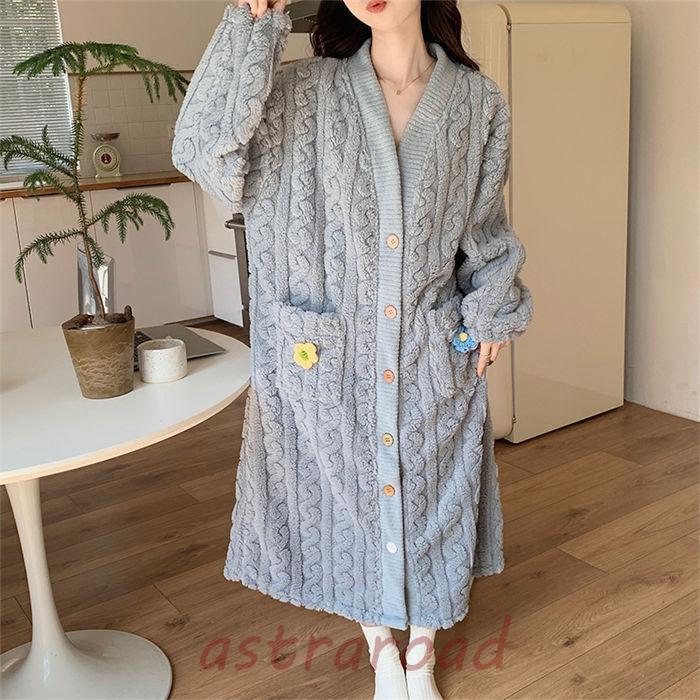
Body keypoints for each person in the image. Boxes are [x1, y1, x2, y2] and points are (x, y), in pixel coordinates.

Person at [172, 0, 534, 698]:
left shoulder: (477, 104)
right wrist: (252, 22)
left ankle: (420, 656)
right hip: (326, 361)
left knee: (432, 497)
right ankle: (381, 651)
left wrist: (492, 310)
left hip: (430, 348)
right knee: (350, 504)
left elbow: (485, 228)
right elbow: (201, 152)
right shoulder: (298, 93)